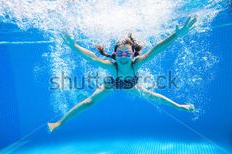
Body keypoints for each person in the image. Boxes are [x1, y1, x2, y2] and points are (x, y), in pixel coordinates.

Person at [48, 17, 197, 132]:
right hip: (110, 84)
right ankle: (59, 123)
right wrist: (74, 46)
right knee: (89, 102)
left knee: (152, 96)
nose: (124, 57)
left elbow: (156, 50)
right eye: (120, 53)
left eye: (127, 53)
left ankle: (179, 106)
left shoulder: (137, 63)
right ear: (115, 55)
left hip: (131, 86)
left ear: (133, 54)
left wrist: (176, 35)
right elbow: (91, 57)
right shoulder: (112, 67)